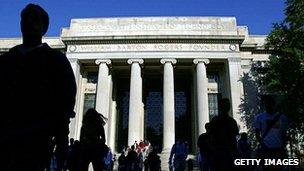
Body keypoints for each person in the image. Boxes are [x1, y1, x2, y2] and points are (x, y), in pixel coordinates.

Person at [0, 3, 76, 171]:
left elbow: (66, 99)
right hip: (7, 134)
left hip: (38, 135)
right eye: (25, 19)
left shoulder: (55, 59)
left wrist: (62, 139)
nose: (28, 23)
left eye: (34, 19)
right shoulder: (8, 60)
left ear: (44, 27)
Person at [254, 95, 288, 171]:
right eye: (266, 103)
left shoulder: (282, 117)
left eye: (270, 103)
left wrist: (283, 146)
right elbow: (257, 134)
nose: (268, 105)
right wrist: (263, 145)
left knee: (278, 168)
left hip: (278, 149)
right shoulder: (259, 117)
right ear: (264, 104)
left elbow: (284, 133)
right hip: (266, 149)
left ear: (274, 104)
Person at [209, 98, 239, 171]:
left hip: (227, 153)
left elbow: (235, 137)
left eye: (227, 105)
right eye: (226, 105)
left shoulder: (231, 121)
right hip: (219, 153)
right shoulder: (216, 121)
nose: (227, 107)